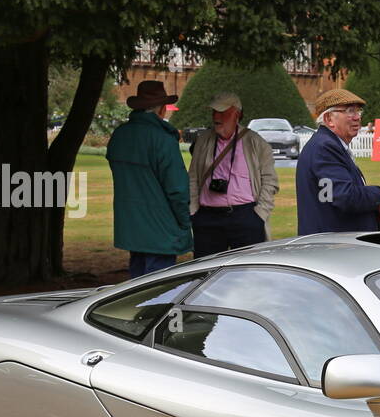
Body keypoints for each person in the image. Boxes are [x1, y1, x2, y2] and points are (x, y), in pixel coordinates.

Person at [106, 80, 192, 278]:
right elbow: (177, 189)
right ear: (161, 109)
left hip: (132, 224)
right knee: (157, 290)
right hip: (160, 227)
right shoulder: (161, 139)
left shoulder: (120, 135)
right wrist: (185, 221)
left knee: (137, 286)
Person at [187, 91, 278, 257]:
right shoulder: (204, 140)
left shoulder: (255, 142)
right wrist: (194, 211)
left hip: (245, 217)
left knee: (247, 273)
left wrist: (259, 215)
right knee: (207, 274)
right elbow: (192, 177)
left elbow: (270, 181)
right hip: (207, 219)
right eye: (214, 111)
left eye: (222, 112)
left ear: (237, 113)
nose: (216, 116)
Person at [296, 88, 380, 235]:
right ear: (329, 119)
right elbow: (344, 196)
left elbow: (333, 194)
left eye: (358, 111)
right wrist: (378, 195)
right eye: (349, 111)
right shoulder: (325, 147)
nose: (357, 117)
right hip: (333, 247)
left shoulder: (327, 145)